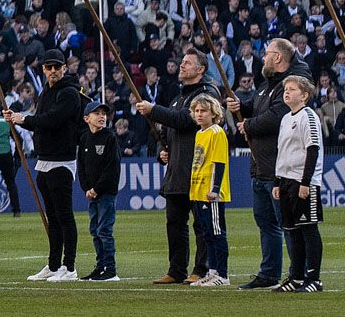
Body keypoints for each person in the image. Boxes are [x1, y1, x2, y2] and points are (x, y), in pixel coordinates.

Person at [135, 50, 222, 283]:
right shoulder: (178, 97)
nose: (181, 66)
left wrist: (153, 110)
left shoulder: (207, 93)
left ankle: (201, 269)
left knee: (201, 225)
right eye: (181, 62)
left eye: (187, 63)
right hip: (176, 170)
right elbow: (165, 132)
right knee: (174, 223)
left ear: (201, 69)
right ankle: (176, 270)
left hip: (197, 171)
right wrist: (161, 152)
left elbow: (185, 119)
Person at [229, 38, 308, 290]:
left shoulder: (289, 87)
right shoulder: (266, 86)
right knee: (265, 222)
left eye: (267, 54)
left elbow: (277, 117)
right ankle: (269, 272)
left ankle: (298, 274)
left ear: (278, 58)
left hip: (278, 167)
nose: (262, 58)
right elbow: (255, 107)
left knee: (287, 223)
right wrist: (240, 106)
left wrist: (248, 125)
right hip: (260, 165)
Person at [8, 51, 82, 282]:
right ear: (43, 70)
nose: (52, 71)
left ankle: (69, 267)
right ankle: (53, 264)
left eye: (56, 67)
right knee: (53, 217)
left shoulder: (70, 93)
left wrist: (25, 119)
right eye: (49, 68)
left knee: (64, 216)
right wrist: (18, 119)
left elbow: (53, 119)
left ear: (64, 68)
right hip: (45, 159)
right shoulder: (46, 92)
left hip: (62, 159)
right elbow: (42, 123)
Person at [273, 74, 325, 292]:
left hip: (303, 182)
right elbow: (282, 152)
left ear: (304, 95)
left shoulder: (308, 116)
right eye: (286, 88)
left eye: (292, 89)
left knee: (308, 229)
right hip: (285, 182)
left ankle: (314, 278)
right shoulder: (286, 118)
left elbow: (312, 149)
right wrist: (277, 181)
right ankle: (296, 276)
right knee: (292, 231)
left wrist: (306, 182)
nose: (287, 92)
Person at [188, 94, 232, 286]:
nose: (199, 114)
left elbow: (219, 162)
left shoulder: (216, 132)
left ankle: (222, 274)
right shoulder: (200, 133)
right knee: (207, 233)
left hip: (210, 193)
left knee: (216, 233)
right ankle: (212, 271)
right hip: (198, 190)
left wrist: (215, 188)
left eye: (203, 111)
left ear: (214, 113)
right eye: (196, 111)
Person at [78, 100, 119, 281]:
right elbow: (81, 166)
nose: (102, 116)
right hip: (92, 194)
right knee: (95, 230)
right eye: (97, 113)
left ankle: (110, 269)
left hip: (106, 193)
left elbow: (112, 168)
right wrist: (87, 188)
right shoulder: (84, 138)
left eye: (103, 113)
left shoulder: (109, 138)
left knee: (104, 230)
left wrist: (96, 188)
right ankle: (100, 266)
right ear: (87, 118)